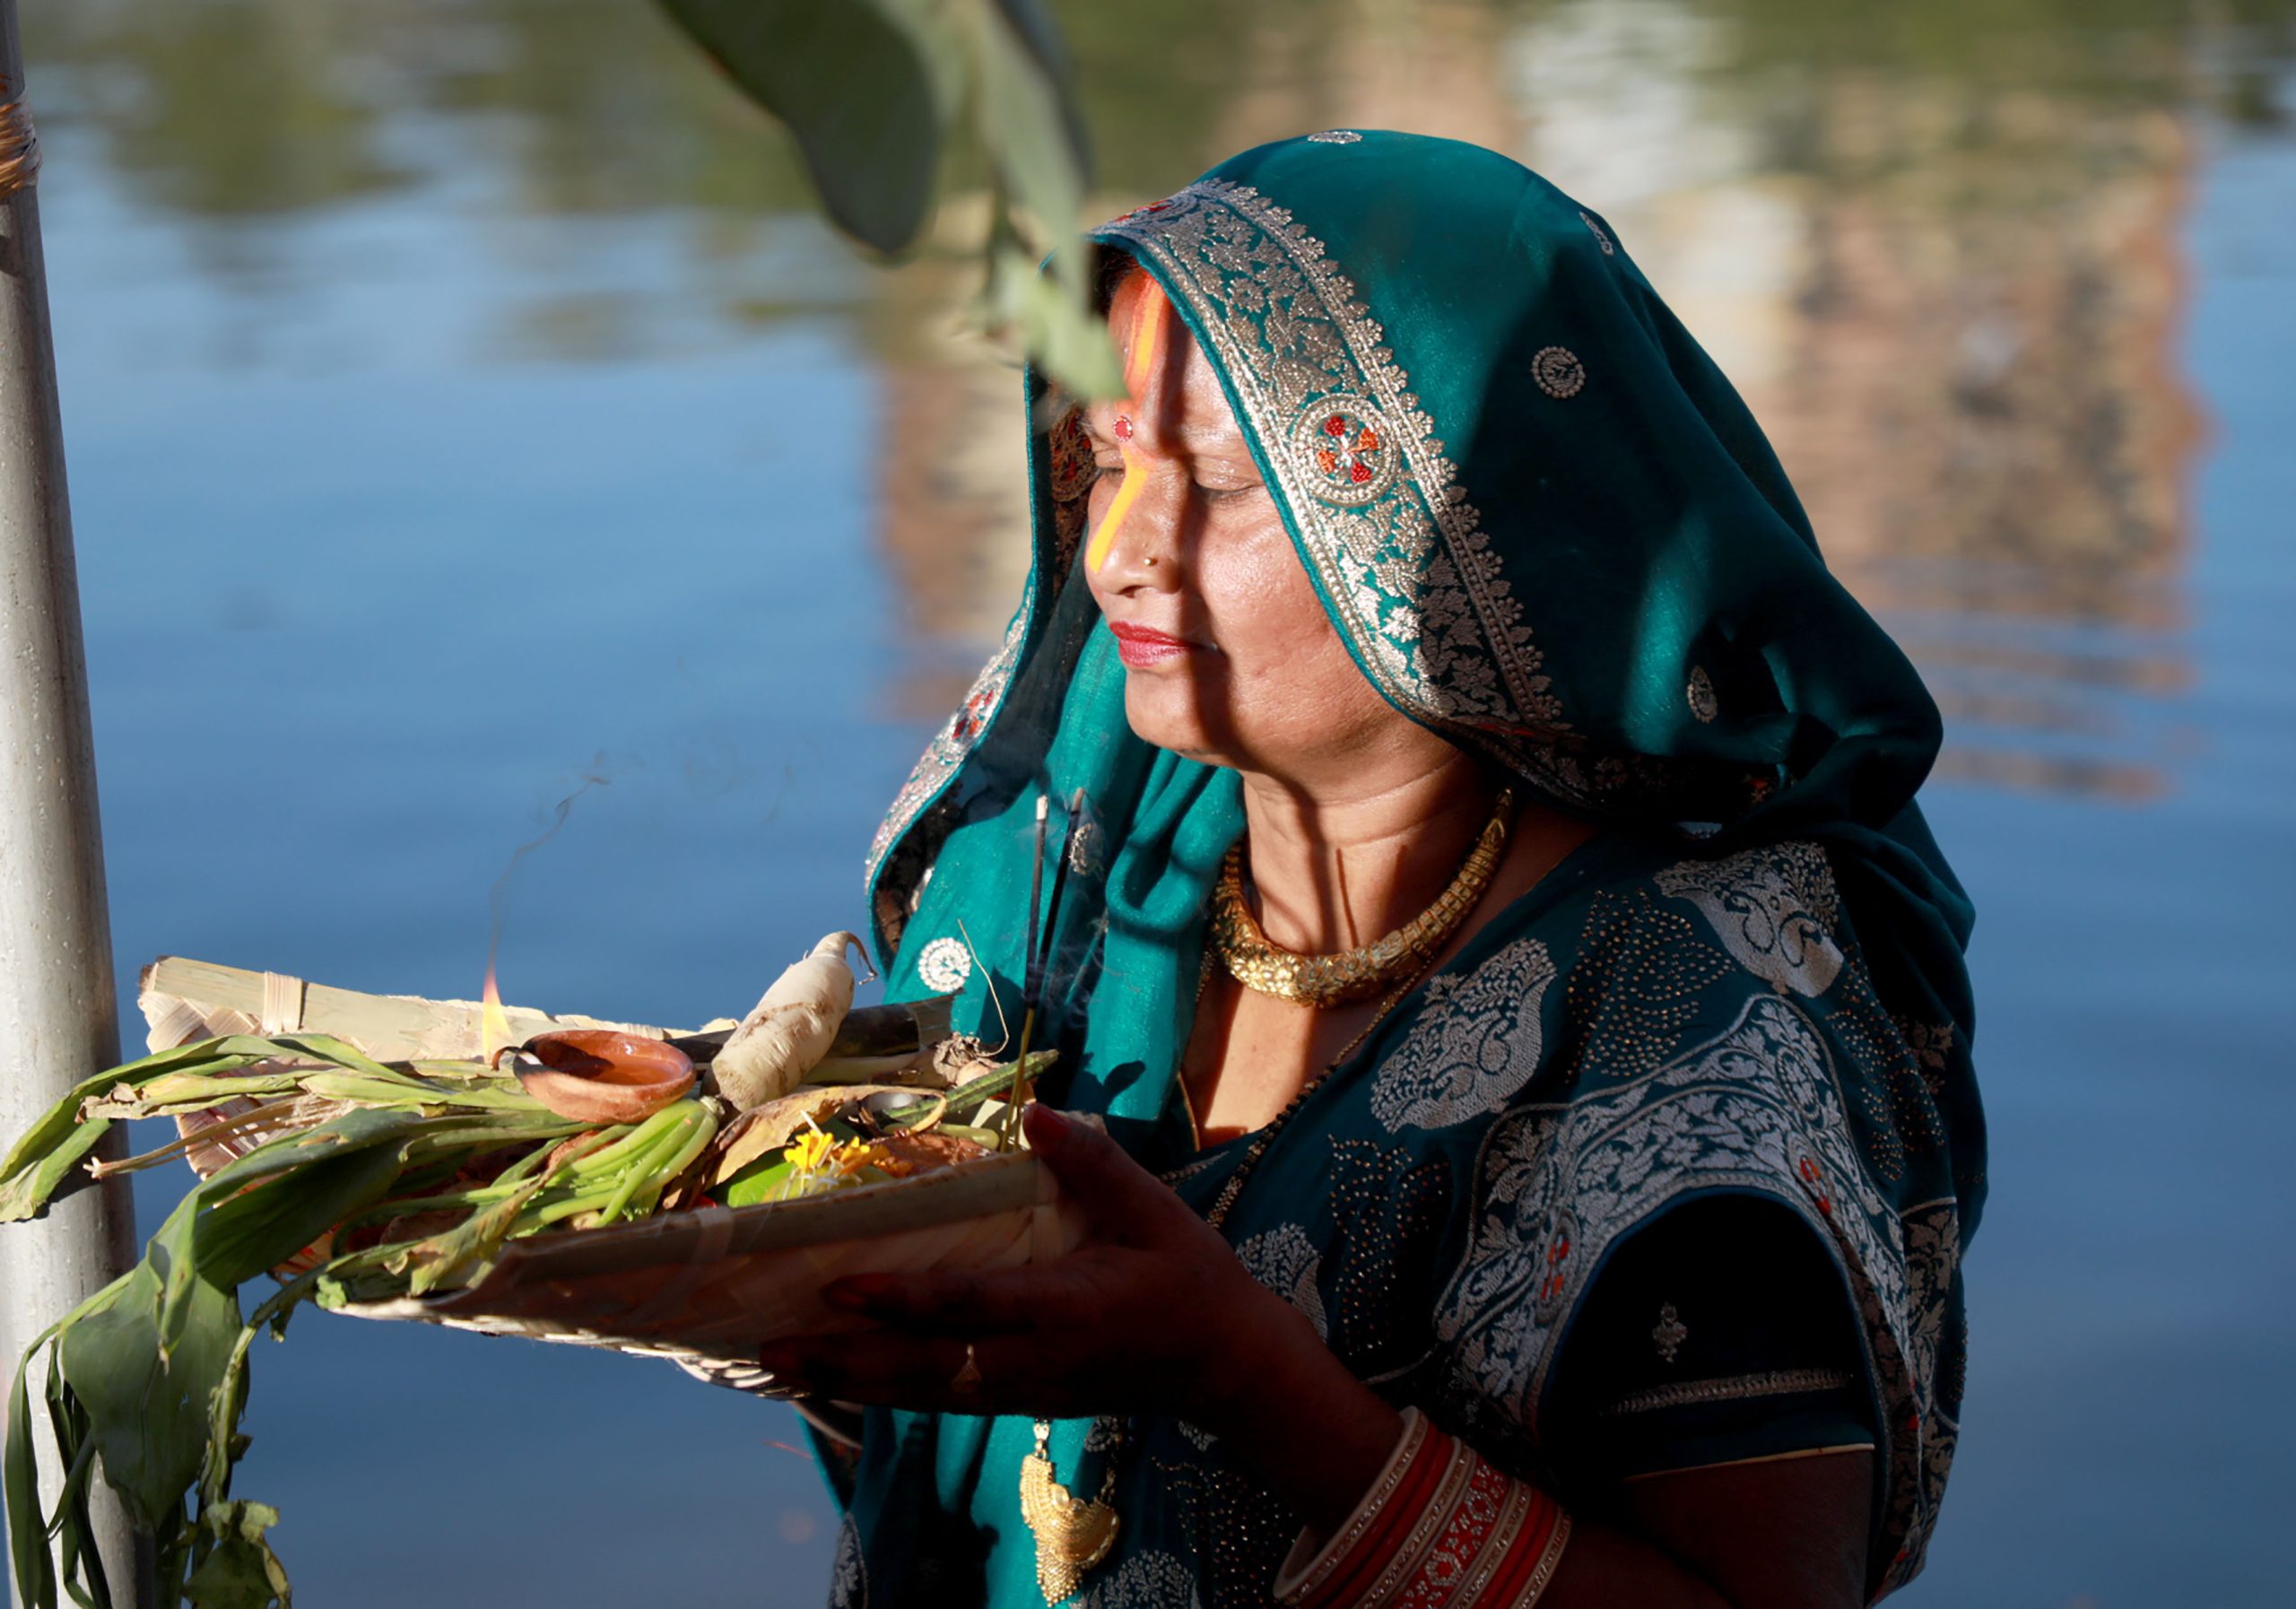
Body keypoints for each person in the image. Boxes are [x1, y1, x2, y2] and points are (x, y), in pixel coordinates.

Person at [752, 131, 1985, 1609]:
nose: (1123, 553)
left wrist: (1243, 1374)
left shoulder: (1689, 1025)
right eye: (1107, 455)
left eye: (1216, 475)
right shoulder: (1090, 868)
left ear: (1468, 529)